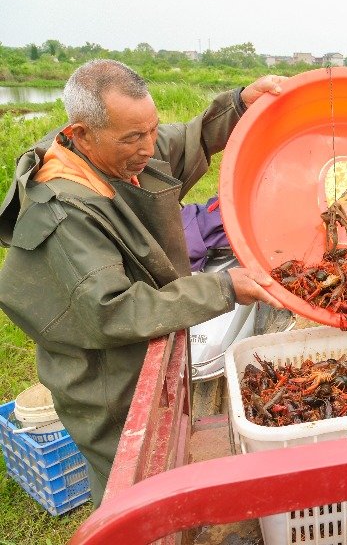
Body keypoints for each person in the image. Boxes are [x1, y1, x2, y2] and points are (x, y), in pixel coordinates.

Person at [0, 59, 285, 505]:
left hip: (147, 341)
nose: (148, 147)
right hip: (103, 376)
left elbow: (183, 140)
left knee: (167, 457)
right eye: (133, 137)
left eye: (150, 129)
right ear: (80, 134)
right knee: (127, 478)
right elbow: (114, 309)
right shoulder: (62, 212)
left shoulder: (119, 150)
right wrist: (224, 286)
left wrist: (238, 104)